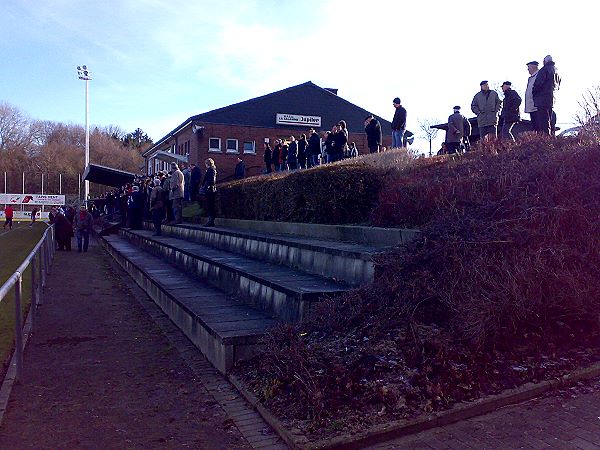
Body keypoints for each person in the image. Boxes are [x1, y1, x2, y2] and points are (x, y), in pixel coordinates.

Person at [532, 55, 561, 135]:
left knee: (543, 122)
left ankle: (545, 140)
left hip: (542, 99)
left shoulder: (544, 70)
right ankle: (549, 139)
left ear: (545, 61)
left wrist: (534, 93)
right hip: (551, 99)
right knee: (549, 120)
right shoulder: (557, 71)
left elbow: (538, 84)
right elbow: (558, 85)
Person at [524, 61, 540, 133]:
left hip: (536, 106)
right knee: (534, 126)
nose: (528, 69)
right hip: (532, 106)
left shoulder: (539, 75)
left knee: (538, 126)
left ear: (534, 66)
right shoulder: (531, 78)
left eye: (529, 67)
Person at [202, 158, 217, 227]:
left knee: (210, 205)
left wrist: (207, 185)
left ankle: (211, 220)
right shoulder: (211, 170)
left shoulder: (210, 170)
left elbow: (211, 180)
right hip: (210, 189)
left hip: (210, 190)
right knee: (210, 205)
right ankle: (211, 220)